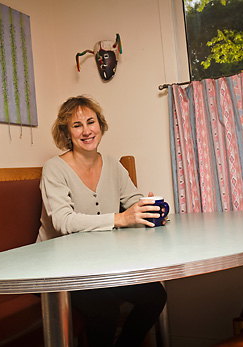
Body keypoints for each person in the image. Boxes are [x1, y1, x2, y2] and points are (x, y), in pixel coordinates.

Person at [38, 95, 167, 346]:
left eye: (91, 122)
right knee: (106, 310)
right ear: (66, 132)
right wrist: (120, 218)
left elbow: (133, 199)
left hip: (99, 265)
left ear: (100, 125)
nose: (86, 131)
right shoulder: (54, 168)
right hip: (59, 269)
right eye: (77, 125)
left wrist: (148, 207)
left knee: (155, 296)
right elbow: (63, 222)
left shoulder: (113, 165)